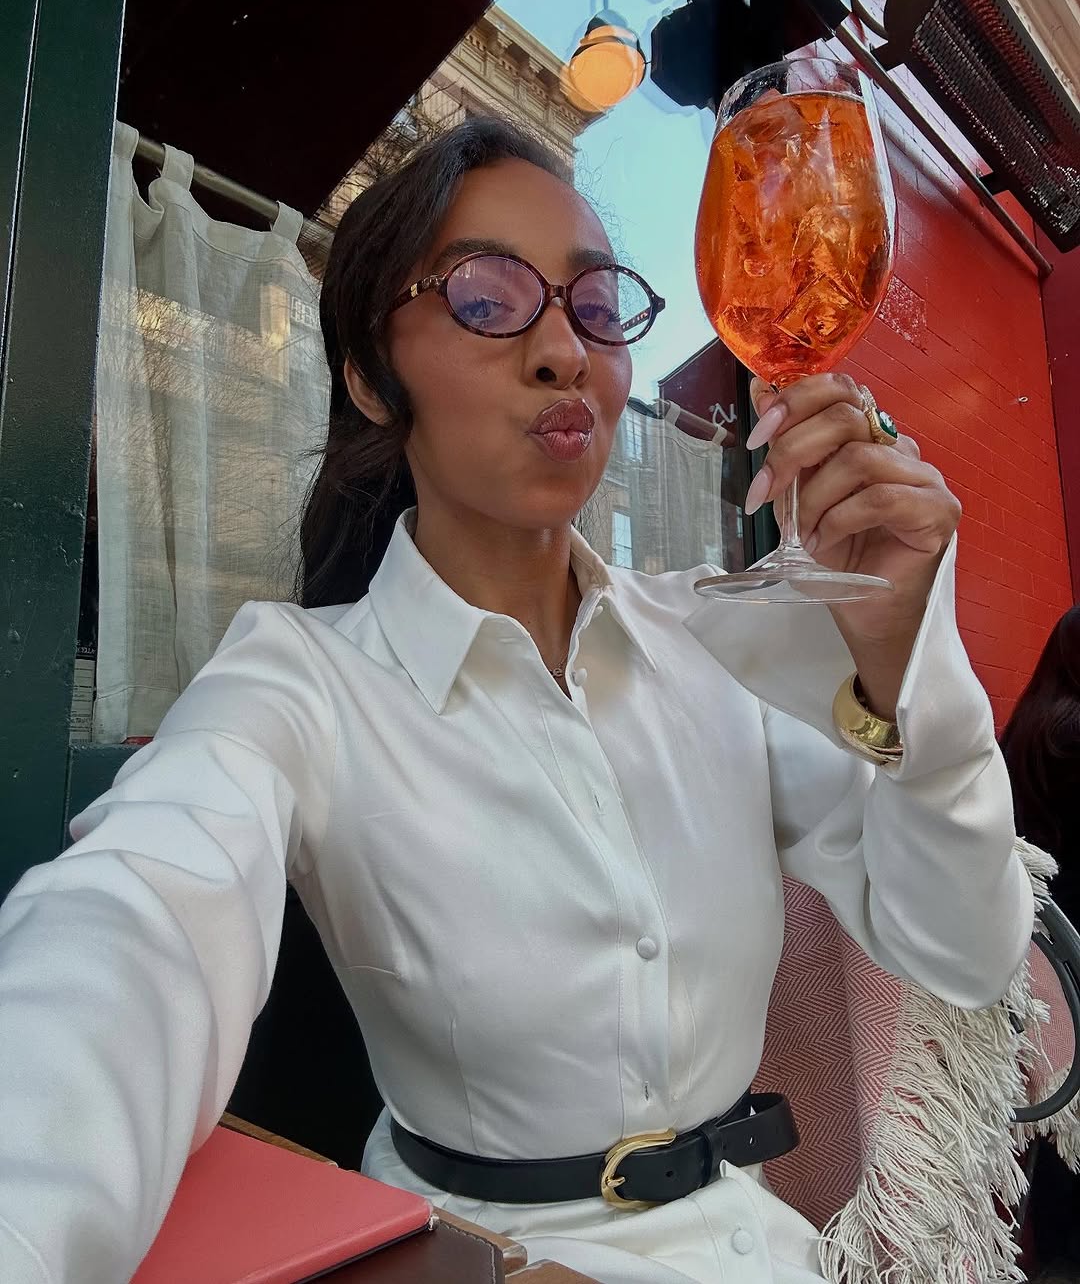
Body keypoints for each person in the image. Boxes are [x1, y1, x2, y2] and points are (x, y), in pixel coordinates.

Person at [0, 117, 1033, 1284]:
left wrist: (904, 660)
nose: (562, 351)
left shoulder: (712, 642)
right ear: (370, 376)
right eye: (488, 299)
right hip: (498, 1261)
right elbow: (128, 935)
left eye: (595, 307)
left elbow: (963, 949)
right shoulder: (303, 681)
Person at [1000, 607, 1080, 1278]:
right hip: (1075, 928)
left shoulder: (1026, 726)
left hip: (1041, 939)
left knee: (1060, 1091)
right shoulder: (1074, 731)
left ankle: (1054, 1242)